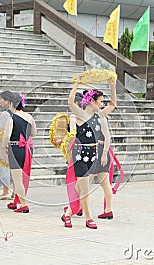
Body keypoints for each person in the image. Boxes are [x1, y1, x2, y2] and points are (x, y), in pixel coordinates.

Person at [62, 76, 111, 229]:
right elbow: (70, 101)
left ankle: (67, 214)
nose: (102, 104)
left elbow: (107, 134)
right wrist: (76, 83)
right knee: (84, 189)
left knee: (79, 188)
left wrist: (104, 154)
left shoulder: (99, 117)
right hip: (80, 155)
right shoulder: (81, 114)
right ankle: (89, 218)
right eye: (100, 101)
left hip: (93, 155)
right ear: (92, 101)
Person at [2, 93, 37, 213]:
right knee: (22, 177)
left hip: (15, 148)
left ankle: (23, 204)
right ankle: (16, 201)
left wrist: (3, 147)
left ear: (12, 104)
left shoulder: (11, 118)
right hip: (27, 148)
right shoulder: (29, 117)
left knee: (17, 179)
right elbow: (34, 133)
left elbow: (7, 136)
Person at [0, 90, 13, 200]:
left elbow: (1, 131)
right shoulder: (15, 112)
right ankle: (14, 191)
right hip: (13, 142)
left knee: (4, 166)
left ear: (6, 100)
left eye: (1, 99)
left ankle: (5, 191)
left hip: (3, 142)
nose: (0, 101)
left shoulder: (5, 114)